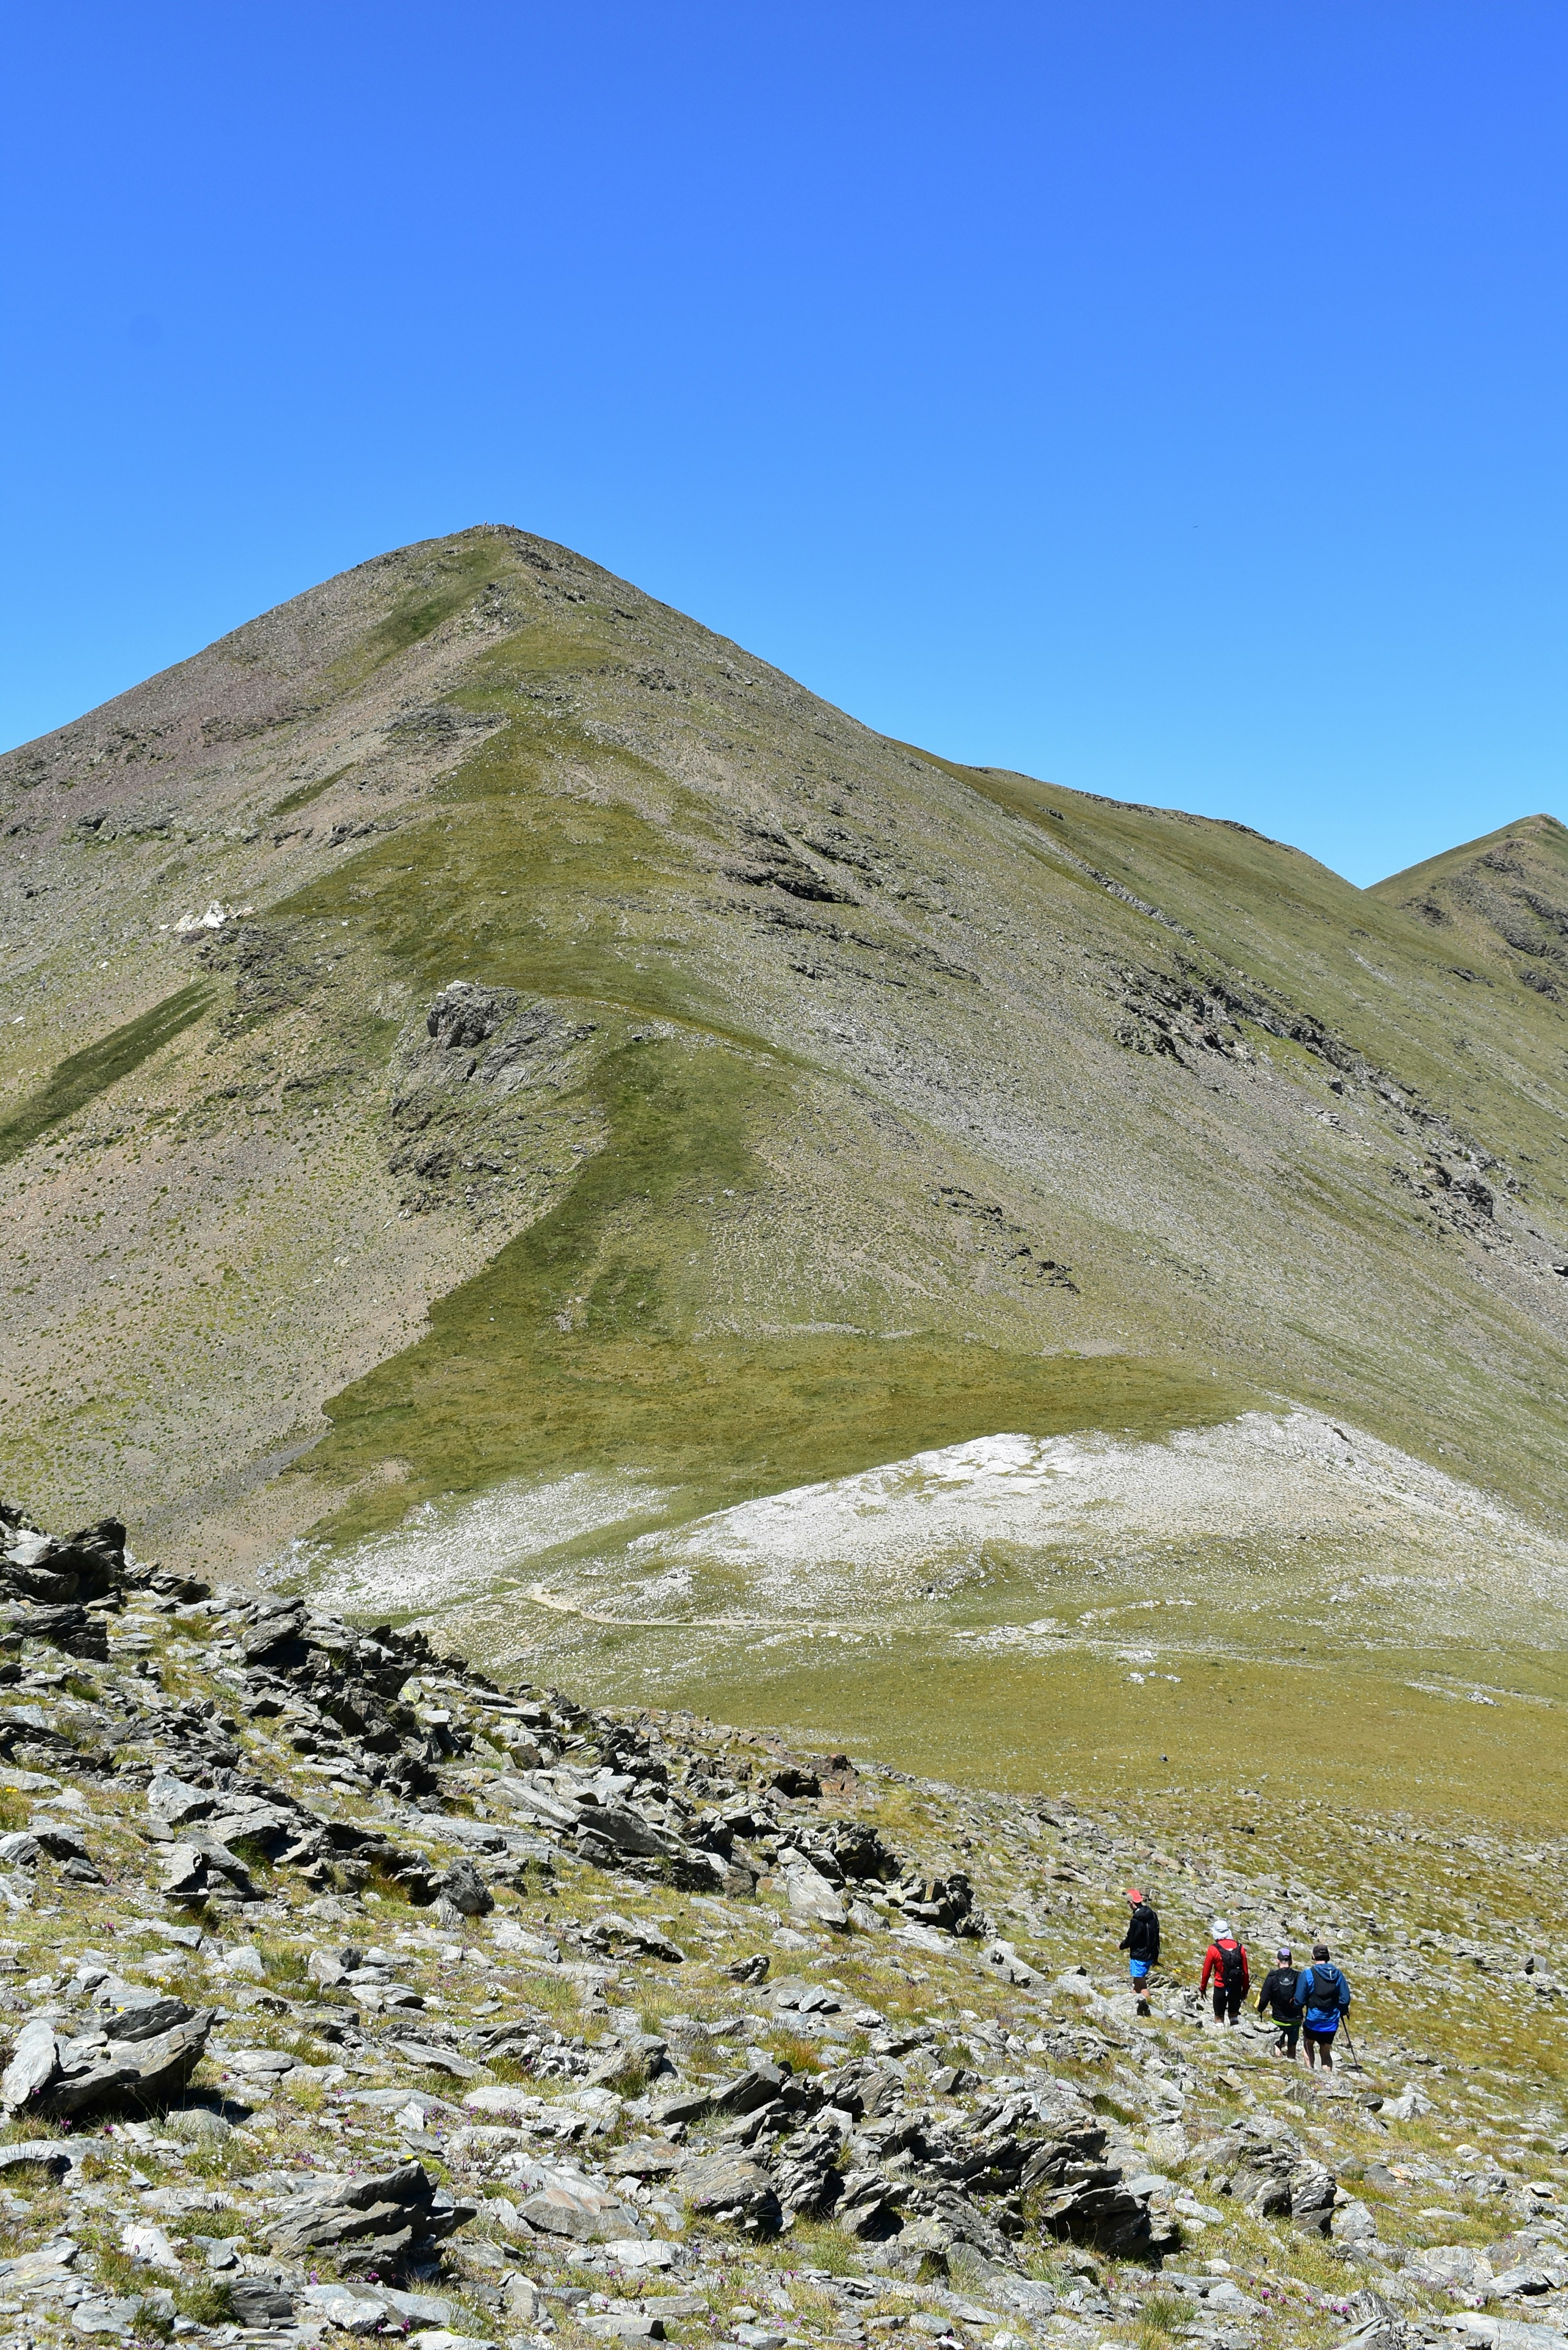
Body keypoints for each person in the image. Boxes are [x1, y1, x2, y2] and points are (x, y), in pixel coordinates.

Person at [1300, 1941, 1351, 2070]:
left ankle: (1310, 2071)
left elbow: (1300, 1999)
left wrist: (1297, 2007)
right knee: (1326, 2051)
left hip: (1313, 2019)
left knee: (1308, 2043)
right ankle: (1328, 2078)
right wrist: (1342, 2011)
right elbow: (1345, 1999)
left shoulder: (1308, 1974)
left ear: (1313, 1957)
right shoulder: (1338, 1974)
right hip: (1331, 2022)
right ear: (1328, 1957)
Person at [1256, 1944, 1304, 2058]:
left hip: (1278, 2020)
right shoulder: (1299, 1976)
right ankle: (1292, 2064)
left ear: (1278, 1961)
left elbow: (1264, 1998)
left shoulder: (1273, 1976)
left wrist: (1260, 2009)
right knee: (1292, 2047)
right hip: (1295, 2021)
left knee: (1277, 2045)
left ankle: (1279, 2065)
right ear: (1291, 1961)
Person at [1118, 1887, 1160, 2015]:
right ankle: (1131, 2006)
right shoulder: (1152, 1914)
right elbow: (1157, 1936)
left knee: (1141, 1985)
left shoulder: (1137, 1920)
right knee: (1137, 1984)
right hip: (1150, 1955)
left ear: (1132, 1903)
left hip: (1139, 1957)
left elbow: (1132, 1938)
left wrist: (1122, 1945)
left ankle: (1152, 2010)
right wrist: (1155, 1957)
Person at [1200, 1917, 1249, 2024]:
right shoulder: (1240, 1948)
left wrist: (1203, 1988)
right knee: (1234, 2016)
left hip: (1220, 1988)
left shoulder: (1213, 1949)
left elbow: (1206, 1973)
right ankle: (1236, 2035)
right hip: (1236, 1988)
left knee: (1219, 2017)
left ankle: (1221, 2038)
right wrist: (1245, 1991)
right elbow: (1245, 1973)